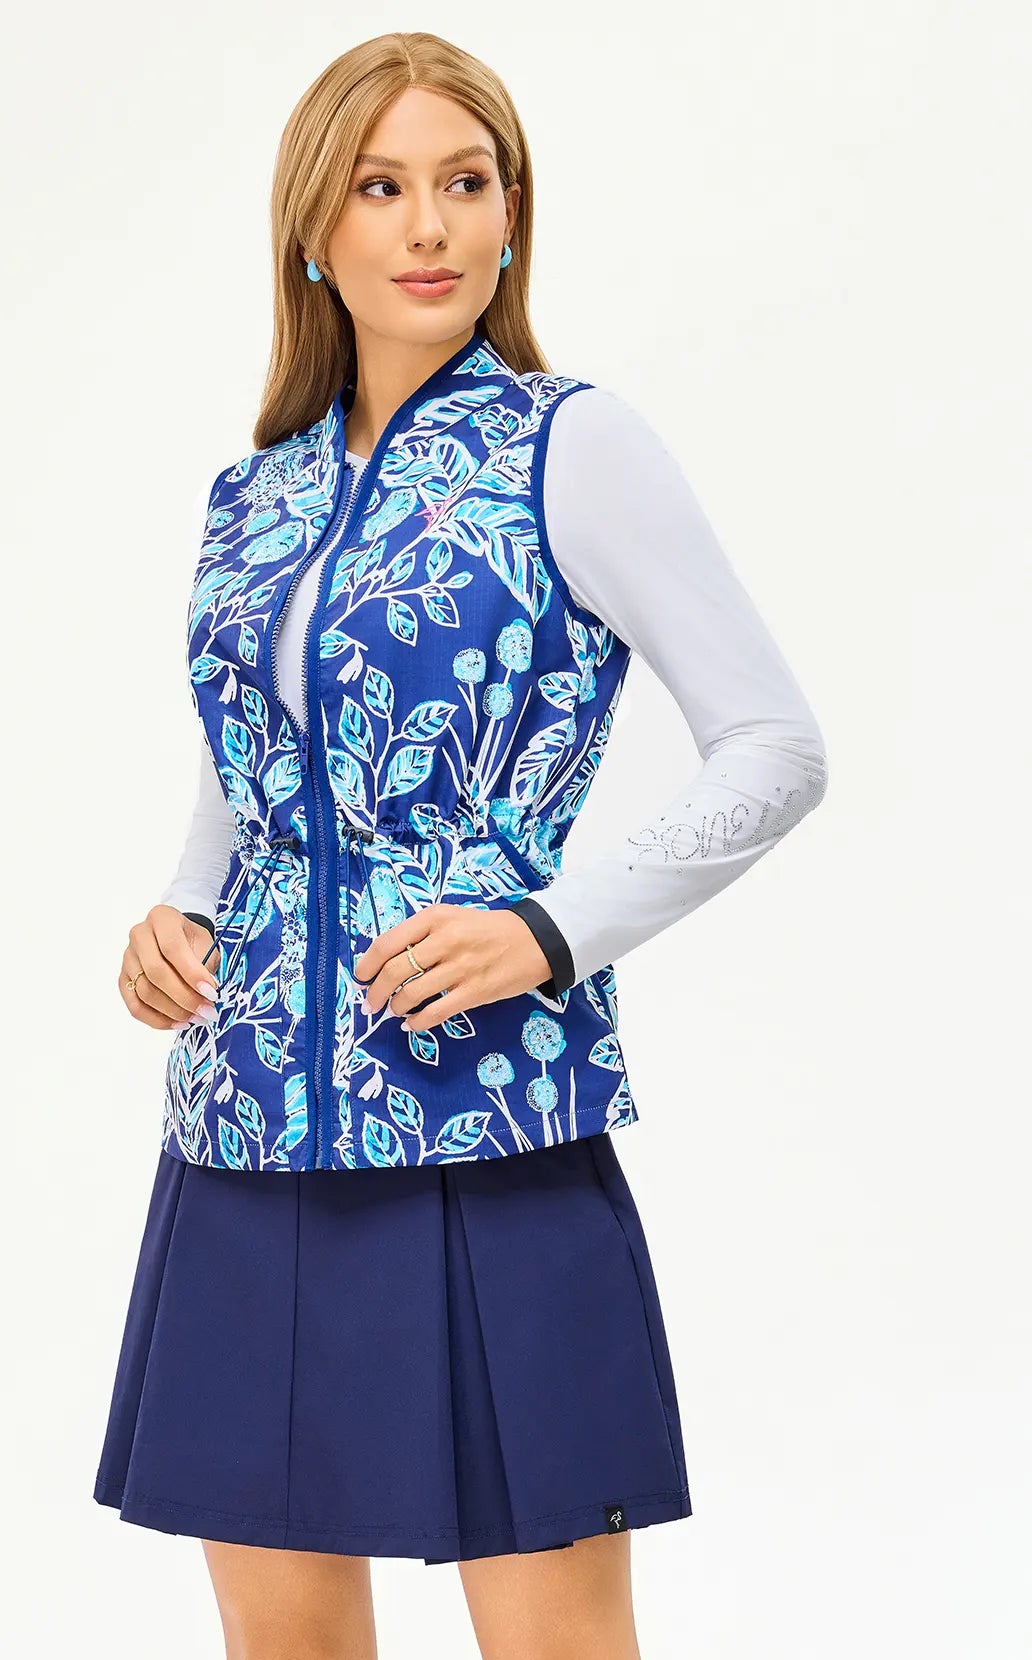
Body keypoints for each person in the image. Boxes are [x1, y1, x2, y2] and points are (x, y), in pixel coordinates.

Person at [94, 31, 827, 1659]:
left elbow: (776, 746)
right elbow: (256, 754)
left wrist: (551, 931)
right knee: (284, 1644)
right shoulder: (255, 494)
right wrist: (182, 907)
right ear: (315, 230)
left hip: (487, 1123)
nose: (428, 224)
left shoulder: (574, 444)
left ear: (511, 216)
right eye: (381, 187)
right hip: (243, 1135)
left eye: (465, 182)